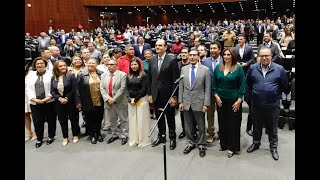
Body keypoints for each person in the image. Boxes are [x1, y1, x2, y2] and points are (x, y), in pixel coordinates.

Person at [246, 47, 288, 161]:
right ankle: (256, 143)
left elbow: (284, 86)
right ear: (258, 56)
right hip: (256, 104)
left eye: (267, 56)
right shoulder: (253, 68)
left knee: (272, 127)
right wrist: (250, 98)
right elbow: (248, 84)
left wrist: (274, 93)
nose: (264, 58)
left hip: (273, 105)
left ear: (271, 56)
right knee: (256, 126)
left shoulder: (279, 69)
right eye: (262, 56)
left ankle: (273, 147)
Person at [212, 47, 246, 158]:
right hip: (221, 100)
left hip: (234, 100)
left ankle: (232, 147)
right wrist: (216, 96)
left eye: (228, 55)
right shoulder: (218, 67)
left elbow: (242, 85)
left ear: (232, 56)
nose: (226, 56)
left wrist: (239, 100)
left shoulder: (238, 68)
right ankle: (224, 144)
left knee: (233, 124)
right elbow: (214, 84)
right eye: (224, 54)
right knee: (222, 122)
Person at [148, 39, 180, 150]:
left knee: (170, 118)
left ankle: (172, 138)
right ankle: (161, 136)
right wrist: (150, 94)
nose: (157, 47)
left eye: (160, 45)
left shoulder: (172, 59)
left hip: (168, 95)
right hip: (156, 94)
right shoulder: (152, 59)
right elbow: (150, 78)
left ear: (165, 47)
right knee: (159, 117)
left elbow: (175, 80)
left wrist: (174, 96)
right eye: (156, 45)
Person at [178, 49, 211, 158]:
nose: (192, 57)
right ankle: (190, 142)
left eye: (194, 55)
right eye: (190, 55)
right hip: (186, 101)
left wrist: (206, 104)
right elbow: (181, 87)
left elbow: (207, 88)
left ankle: (201, 144)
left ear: (198, 56)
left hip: (199, 102)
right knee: (188, 125)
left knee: (201, 125)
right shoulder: (183, 69)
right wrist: (180, 101)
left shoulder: (205, 70)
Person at [26, 57, 56, 148]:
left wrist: (48, 98)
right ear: (35, 65)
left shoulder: (51, 74)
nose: (40, 65)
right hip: (35, 103)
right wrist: (33, 99)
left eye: (42, 63)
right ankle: (39, 138)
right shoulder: (30, 75)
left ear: (45, 65)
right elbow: (27, 89)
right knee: (37, 121)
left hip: (49, 101)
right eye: (38, 64)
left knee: (51, 120)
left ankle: (51, 137)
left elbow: (54, 87)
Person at [51, 60, 80, 146]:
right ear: (56, 68)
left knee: (74, 119)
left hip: (70, 101)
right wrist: (59, 98)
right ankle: (65, 137)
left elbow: (74, 89)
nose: (63, 67)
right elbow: (52, 91)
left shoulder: (71, 76)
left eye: (64, 65)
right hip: (59, 103)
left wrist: (66, 98)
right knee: (62, 120)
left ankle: (75, 135)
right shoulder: (53, 78)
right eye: (61, 66)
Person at [76, 58, 105, 144]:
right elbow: (77, 90)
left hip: (100, 100)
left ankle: (98, 133)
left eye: (93, 63)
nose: (91, 65)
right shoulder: (81, 74)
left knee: (99, 118)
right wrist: (78, 102)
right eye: (89, 63)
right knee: (89, 119)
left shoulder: (101, 73)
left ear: (97, 64)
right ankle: (92, 135)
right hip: (87, 101)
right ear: (86, 64)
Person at [100, 59, 129, 145]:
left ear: (117, 65)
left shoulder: (122, 75)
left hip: (120, 101)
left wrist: (114, 99)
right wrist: (108, 98)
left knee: (123, 120)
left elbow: (122, 88)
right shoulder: (103, 75)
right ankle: (114, 134)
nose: (109, 66)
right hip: (108, 102)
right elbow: (102, 88)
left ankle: (124, 135)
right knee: (112, 120)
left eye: (112, 64)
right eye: (108, 64)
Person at [125, 58, 151, 147]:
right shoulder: (128, 75)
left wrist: (136, 99)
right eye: (132, 65)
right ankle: (134, 139)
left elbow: (144, 90)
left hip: (141, 100)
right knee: (132, 120)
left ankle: (143, 140)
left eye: (135, 64)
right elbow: (126, 89)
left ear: (139, 65)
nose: (133, 66)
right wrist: (129, 99)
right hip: (131, 101)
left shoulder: (143, 75)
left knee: (141, 120)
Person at [202, 41, 223, 143]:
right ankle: (211, 133)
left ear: (220, 50)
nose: (212, 50)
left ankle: (222, 132)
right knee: (210, 114)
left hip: (222, 92)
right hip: (209, 92)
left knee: (222, 113)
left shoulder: (225, 60)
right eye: (211, 48)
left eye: (215, 48)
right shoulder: (205, 61)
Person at [235, 34, 255, 136]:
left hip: (247, 73)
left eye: (241, 39)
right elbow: (233, 59)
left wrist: (246, 64)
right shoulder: (235, 48)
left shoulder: (249, 48)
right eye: (238, 39)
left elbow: (252, 59)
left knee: (249, 102)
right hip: (237, 74)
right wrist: (237, 64)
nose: (239, 40)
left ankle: (249, 127)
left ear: (245, 40)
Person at [25, 64, 37, 141]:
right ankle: (29, 132)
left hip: (32, 96)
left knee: (34, 115)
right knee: (26, 114)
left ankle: (36, 132)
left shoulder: (33, 73)